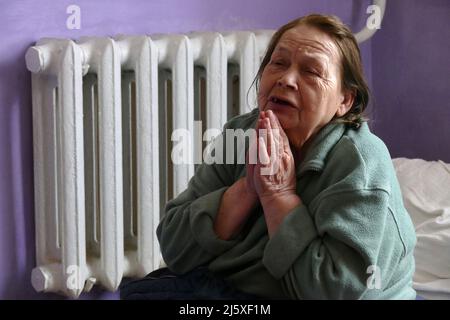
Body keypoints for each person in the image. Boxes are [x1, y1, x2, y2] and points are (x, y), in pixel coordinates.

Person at [120, 14, 417, 300]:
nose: (286, 79)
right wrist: (248, 189)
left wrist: (278, 196)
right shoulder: (241, 134)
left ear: (345, 100)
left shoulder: (359, 162)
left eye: (311, 71)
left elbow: (336, 289)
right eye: (278, 63)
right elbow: (174, 245)